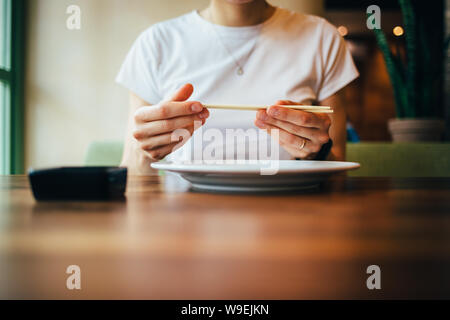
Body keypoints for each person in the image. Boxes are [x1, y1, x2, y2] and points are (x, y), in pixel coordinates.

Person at [116, 0, 359, 175]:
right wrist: (146, 148)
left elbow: (337, 174)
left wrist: (316, 152)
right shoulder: (156, 43)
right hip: (184, 220)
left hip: (291, 219)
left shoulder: (321, 37)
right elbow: (134, 168)